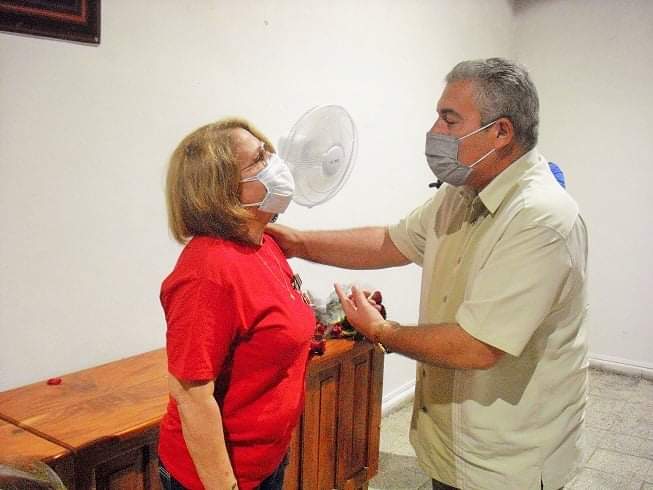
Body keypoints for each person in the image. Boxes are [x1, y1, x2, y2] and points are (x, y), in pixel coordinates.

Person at [268, 58, 589, 490]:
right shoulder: (461, 192)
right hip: (452, 444)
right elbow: (392, 241)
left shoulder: (541, 219)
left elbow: (477, 346)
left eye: (449, 120)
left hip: (508, 461)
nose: (435, 131)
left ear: (501, 132)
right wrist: (299, 243)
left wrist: (381, 330)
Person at [159, 118, 316, 490]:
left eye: (268, 152)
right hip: (218, 476)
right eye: (259, 159)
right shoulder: (207, 272)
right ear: (221, 191)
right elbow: (192, 395)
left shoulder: (264, 243)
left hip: (265, 459)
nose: (276, 164)